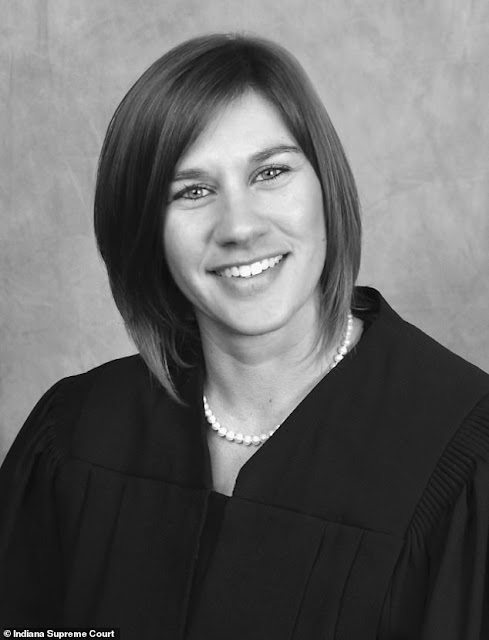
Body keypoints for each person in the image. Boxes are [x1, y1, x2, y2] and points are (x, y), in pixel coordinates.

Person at [0, 32, 488, 640]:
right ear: (144, 229)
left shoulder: (464, 456)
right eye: (193, 191)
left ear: (326, 187)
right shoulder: (76, 436)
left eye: (270, 172)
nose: (239, 227)